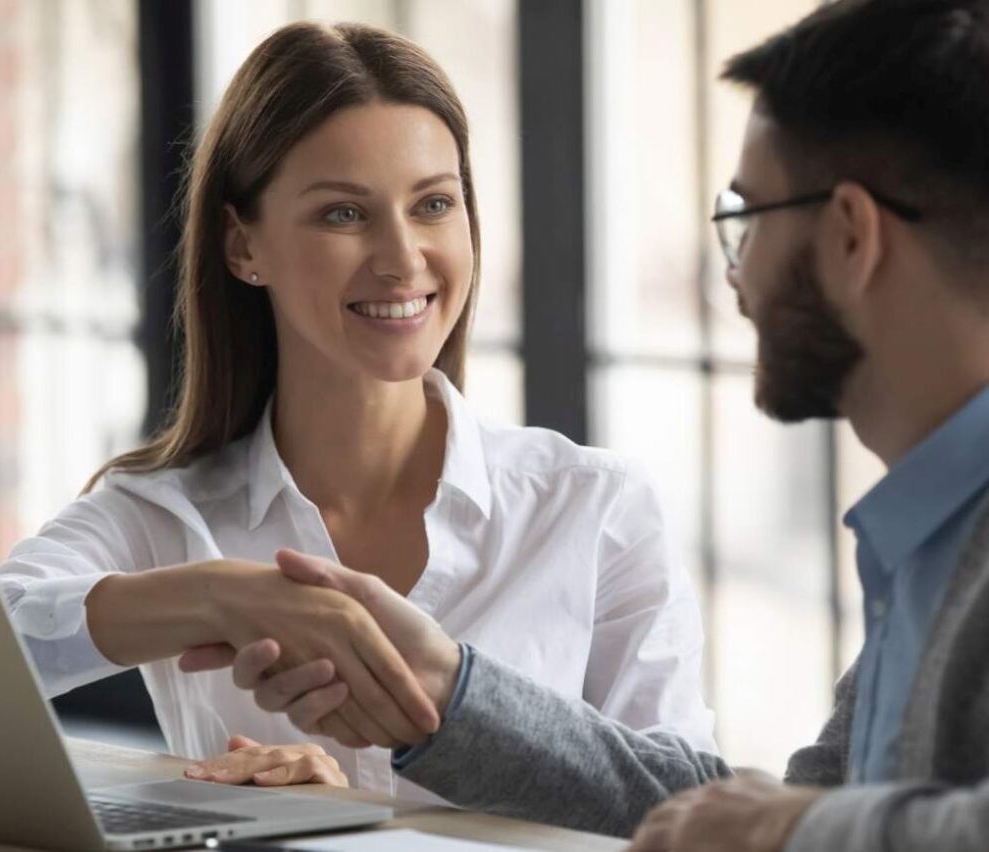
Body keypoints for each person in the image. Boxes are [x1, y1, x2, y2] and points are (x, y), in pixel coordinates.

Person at [186, 0, 989, 848]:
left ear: (852, 237)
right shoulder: (925, 549)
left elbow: (785, 826)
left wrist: (795, 830)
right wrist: (448, 695)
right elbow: (737, 818)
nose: (736, 282)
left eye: (747, 222)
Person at [0, 21, 715, 801]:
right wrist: (218, 596)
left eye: (433, 204)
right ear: (243, 247)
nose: (403, 258)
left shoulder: (594, 508)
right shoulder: (161, 517)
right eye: (344, 214)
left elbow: (685, 810)